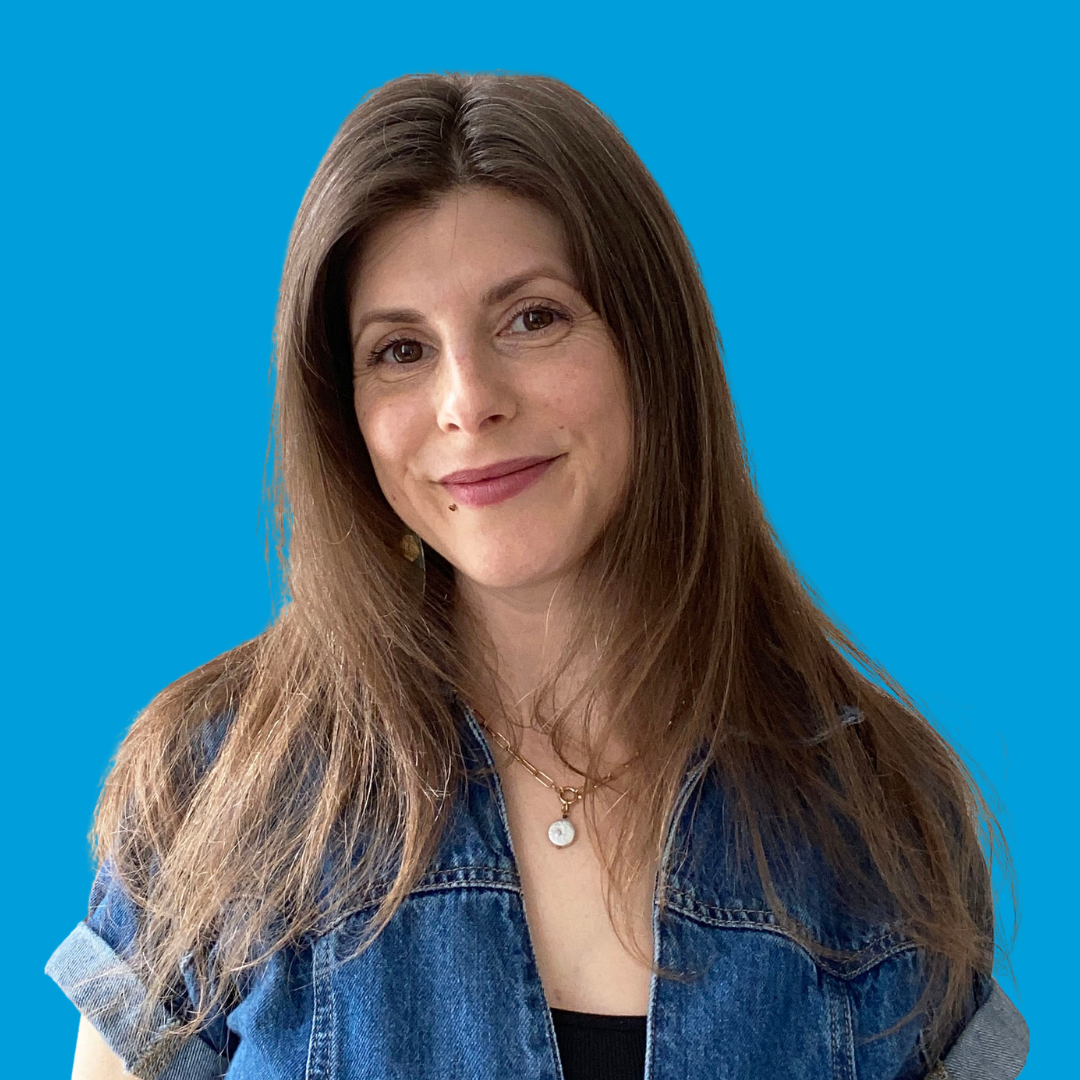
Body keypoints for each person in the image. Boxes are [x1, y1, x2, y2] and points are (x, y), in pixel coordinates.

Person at [47, 72, 1028, 1080]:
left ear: (652, 346)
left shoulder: (881, 817)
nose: (467, 401)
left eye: (532, 319)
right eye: (399, 349)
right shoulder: (217, 789)